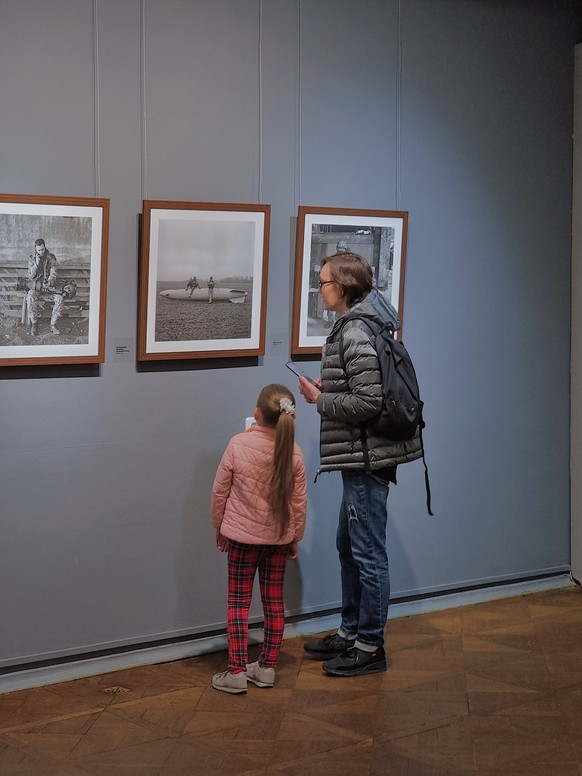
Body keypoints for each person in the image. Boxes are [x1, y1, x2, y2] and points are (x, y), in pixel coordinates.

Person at [297, 252, 422, 677]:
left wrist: (320, 400)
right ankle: (351, 632)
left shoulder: (354, 333)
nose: (320, 289)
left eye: (324, 282)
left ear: (345, 287)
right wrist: (330, 390)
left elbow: (369, 402)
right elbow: (363, 389)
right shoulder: (354, 328)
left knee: (368, 553)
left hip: (367, 461)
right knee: (348, 547)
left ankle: (370, 646)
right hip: (360, 458)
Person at [210, 384, 308, 694]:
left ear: (256, 415)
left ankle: (237, 671)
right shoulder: (294, 452)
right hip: (278, 541)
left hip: (241, 540)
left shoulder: (238, 444)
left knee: (238, 604)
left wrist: (220, 526)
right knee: (274, 604)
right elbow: (299, 504)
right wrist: (295, 537)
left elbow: (219, 492)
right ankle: (266, 668)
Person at [27, 238, 63, 336]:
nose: (41, 252)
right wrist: (36, 264)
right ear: (35, 249)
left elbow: (54, 271)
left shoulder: (51, 257)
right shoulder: (32, 259)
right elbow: (30, 276)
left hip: (49, 287)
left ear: (44, 246)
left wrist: (50, 281)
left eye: (42, 249)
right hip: (37, 286)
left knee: (59, 298)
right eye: (39, 250)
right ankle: (34, 323)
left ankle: (53, 324)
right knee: (30, 296)